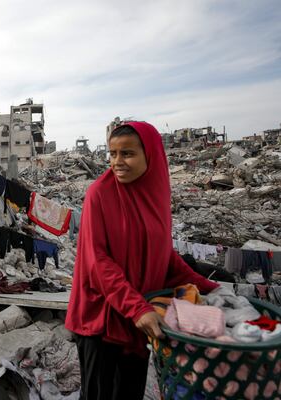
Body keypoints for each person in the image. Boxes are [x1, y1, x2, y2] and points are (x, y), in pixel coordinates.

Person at [65, 122, 219, 400]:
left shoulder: (155, 193)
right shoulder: (99, 194)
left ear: (151, 155)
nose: (117, 162)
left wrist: (208, 286)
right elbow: (97, 262)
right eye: (112, 154)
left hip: (139, 319)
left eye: (127, 154)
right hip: (103, 319)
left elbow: (162, 253)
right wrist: (136, 308)